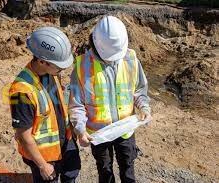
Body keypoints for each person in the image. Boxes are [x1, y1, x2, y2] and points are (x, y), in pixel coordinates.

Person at [69, 16, 152, 183]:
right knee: (105, 170)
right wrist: (80, 129)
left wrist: (144, 107)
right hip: (99, 134)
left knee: (128, 167)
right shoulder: (82, 66)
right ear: (96, 45)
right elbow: (76, 104)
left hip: (125, 128)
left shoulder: (130, 59)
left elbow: (139, 90)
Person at [9, 27, 80, 183]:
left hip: (65, 141)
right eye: (59, 66)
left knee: (71, 174)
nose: (62, 69)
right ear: (42, 61)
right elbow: (23, 135)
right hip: (44, 156)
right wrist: (42, 166)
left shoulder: (51, 72)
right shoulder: (21, 92)